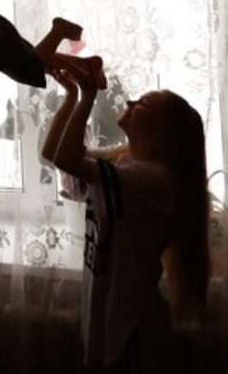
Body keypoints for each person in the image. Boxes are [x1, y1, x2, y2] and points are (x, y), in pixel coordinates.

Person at [41, 60, 211, 371]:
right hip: (110, 322)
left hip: (131, 329)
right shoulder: (125, 163)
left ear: (162, 132)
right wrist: (70, 96)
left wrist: (87, 95)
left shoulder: (154, 180)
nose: (131, 102)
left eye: (143, 103)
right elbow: (53, 154)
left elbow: (66, 158)